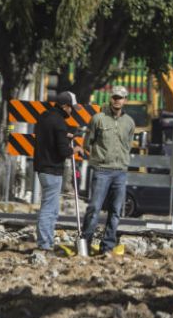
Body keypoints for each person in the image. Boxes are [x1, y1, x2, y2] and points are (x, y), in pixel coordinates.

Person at [81, 85, 135, 255]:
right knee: (94, 208)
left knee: (116, 211)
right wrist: (97, 159)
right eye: (115, 97)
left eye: (121, 98)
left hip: (120, 171)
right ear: (111, 98)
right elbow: (86, 143)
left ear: (125, 100)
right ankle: (85, 244)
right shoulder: (98, 119)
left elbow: (128, 145)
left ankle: (107, 247)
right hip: (102, 170)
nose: (117, 100)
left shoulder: (129, 123)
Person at [33, 91, 83, 252]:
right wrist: (75, 149)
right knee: (49, 210)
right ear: (65, 106)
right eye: (70, 108)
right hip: (53, 170)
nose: (71, 111)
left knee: (50, 208)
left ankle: (46, 242)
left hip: (42, 168)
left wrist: (64, 134)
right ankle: (45, 245)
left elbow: (50, 136)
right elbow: (63, 151)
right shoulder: (60, 123)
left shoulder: (44, 117)